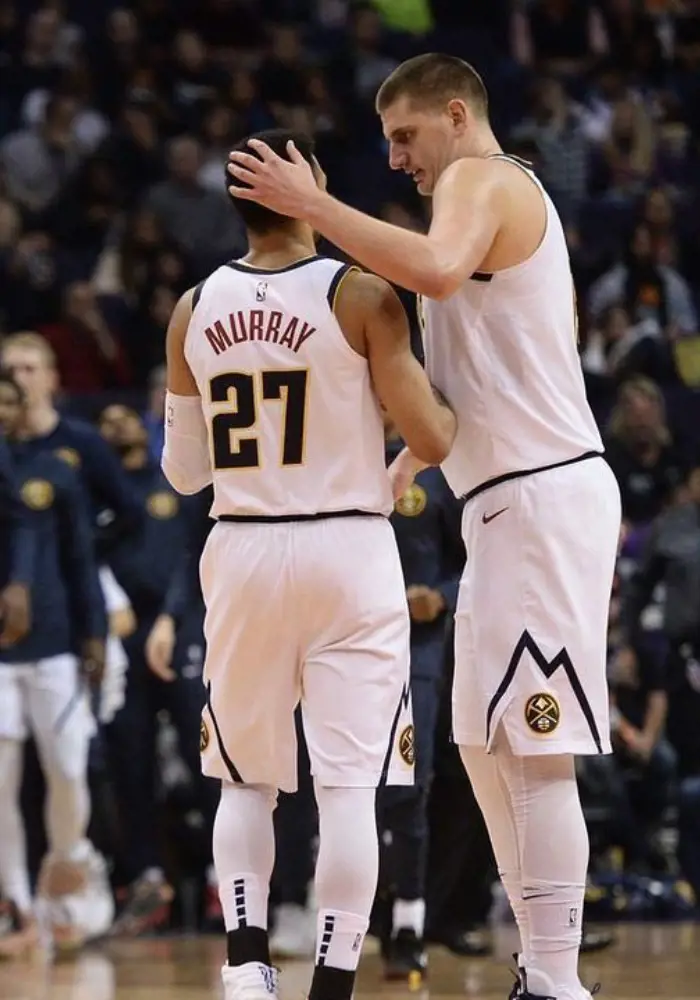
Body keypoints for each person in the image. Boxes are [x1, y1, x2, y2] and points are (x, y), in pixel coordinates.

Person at [227, 57, 621, 1000]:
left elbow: (435, 271)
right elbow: (485, 376)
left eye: (406, 136)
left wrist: (313, 208)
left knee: (536, 739)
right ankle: (541, 968)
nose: (396, 157)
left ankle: (558, 980)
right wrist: (407, 461)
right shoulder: (479, 204)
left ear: (456, 114)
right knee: (486, 747)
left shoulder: (485, 180)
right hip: (505, 497)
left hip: (542, 495)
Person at [162, 127, 455, 1000]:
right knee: (349, 790)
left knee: (243, 778)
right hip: (349, 549)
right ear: (309, 188)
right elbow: (435, 436)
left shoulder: (192, 307)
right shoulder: (361, 294)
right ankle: (333, 982)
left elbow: (183, 472)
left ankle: (247, 966)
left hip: (244, 544)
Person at [0, 369, 113, 956]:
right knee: (1, 783)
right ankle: (14, 905)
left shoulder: (56, 471)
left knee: (68, 768)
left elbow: (81, 557)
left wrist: (94, 632)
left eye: (10, 401)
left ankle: (69, 868)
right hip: (1, 656)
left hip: (57, 644)